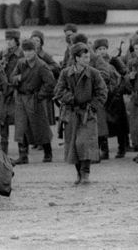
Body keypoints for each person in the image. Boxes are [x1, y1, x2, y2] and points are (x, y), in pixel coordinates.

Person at [53, 43, 107, 184]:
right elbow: (58, 91)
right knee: (73, 145)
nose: (87, 60)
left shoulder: (94, 73)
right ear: (76, 58)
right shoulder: (66, 73)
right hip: (71, 113)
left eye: (88, 57)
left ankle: (85, 174)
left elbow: (102, 92)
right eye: (84, 57)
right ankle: (78, 174)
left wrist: (93, 106)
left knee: (85, 143)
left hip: (87, 114)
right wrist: (72, 99)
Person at [10, 39, 56, 164]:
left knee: (40, 126)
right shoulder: (20, 63)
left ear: (35, 51)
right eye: (25, 50)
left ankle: (48, 153)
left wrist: (39, 96)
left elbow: (50, 83)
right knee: (21, 127)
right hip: (21, 98)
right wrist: (17, 78)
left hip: (35, 99)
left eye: (30, 50)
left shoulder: (41, 65)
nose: (27, 53)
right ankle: (23, 155)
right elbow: (11, 77)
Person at [0, 30, 23, 156]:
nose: (9, 42)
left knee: (20, 122)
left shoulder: (21, 54)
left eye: (11, 40)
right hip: (5, 92)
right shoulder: (3, 53)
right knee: (2, 121)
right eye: (7, 40)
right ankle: (3, 153)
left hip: (17, 91)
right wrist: (0, 65)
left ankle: (23, 153)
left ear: (16, 41)